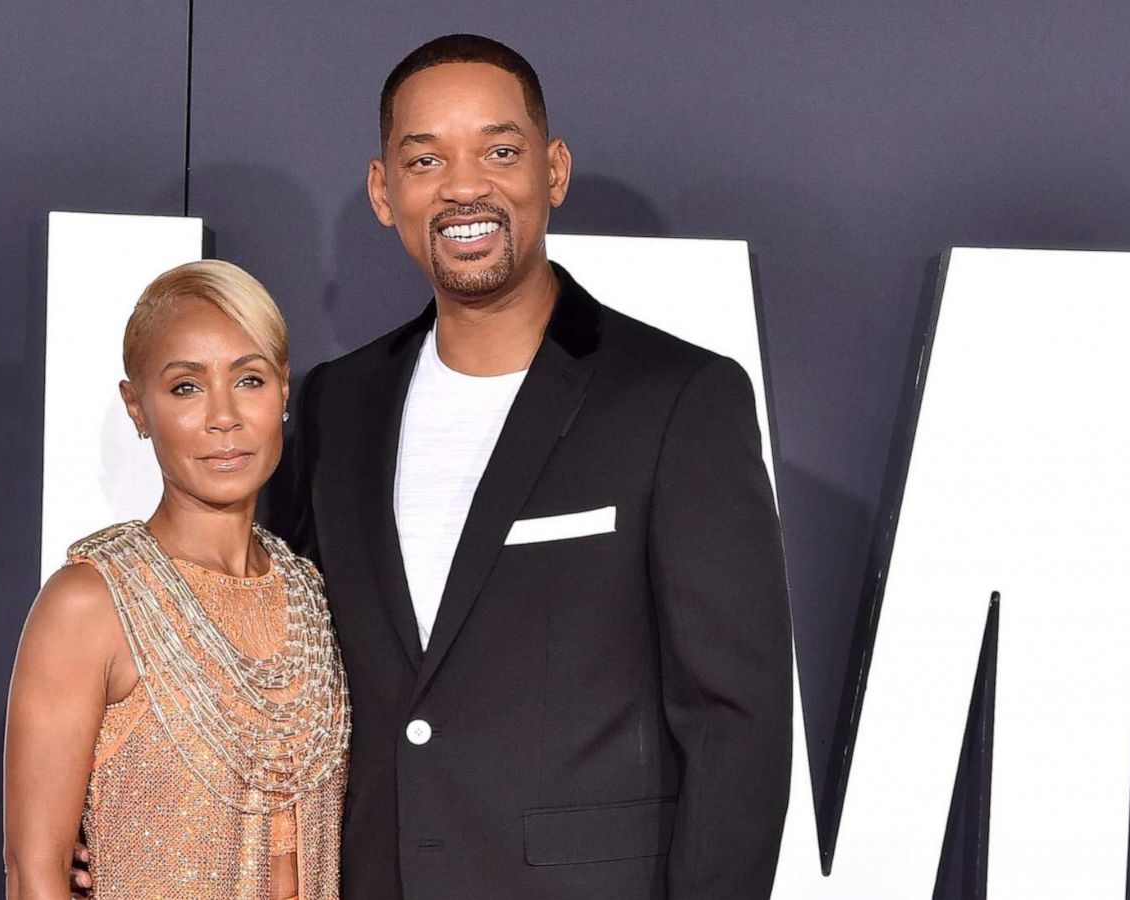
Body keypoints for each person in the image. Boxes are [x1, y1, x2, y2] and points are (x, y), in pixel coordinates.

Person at [270, 34, 793, 899]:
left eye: (499, 150)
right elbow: (271, 658)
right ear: (382, 191)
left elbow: (736, 722)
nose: (464, 186)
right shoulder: (336, 405)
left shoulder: (677, 398)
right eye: (426, 158)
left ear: (552, 171)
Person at [5, 259, 350, 900]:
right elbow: (35, 872)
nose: (224, 416)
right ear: (138, 407)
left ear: (282, 394)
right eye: (186, 388)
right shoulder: (91, 603)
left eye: (248, 380)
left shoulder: (312, 596)